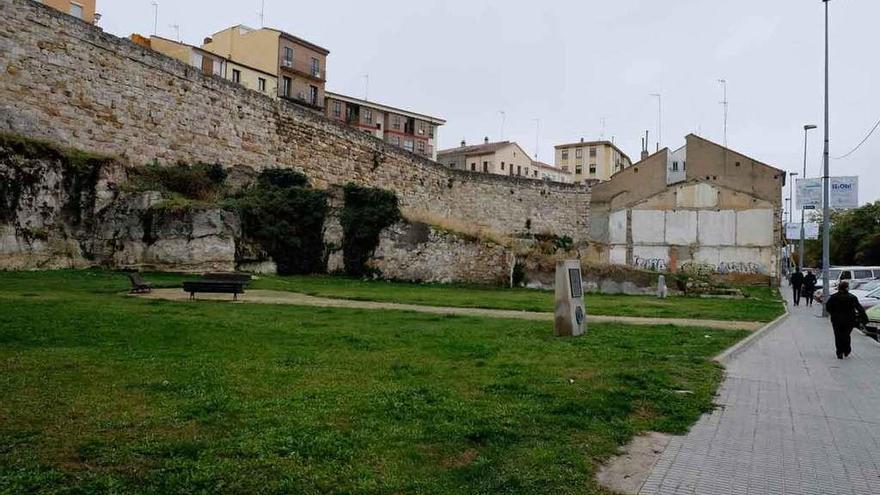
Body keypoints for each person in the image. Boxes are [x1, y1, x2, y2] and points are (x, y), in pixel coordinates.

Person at [825, 281, 868, 359]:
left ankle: (839, 352)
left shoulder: (833, 297)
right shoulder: (852, 297)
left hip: (836, 320)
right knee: (846, 335)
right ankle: (847, 350)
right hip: (849, 320)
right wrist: (865, 319)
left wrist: (833, 314)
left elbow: (828, 307)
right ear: (846, 288)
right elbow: (859, 308)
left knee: (838, 336)